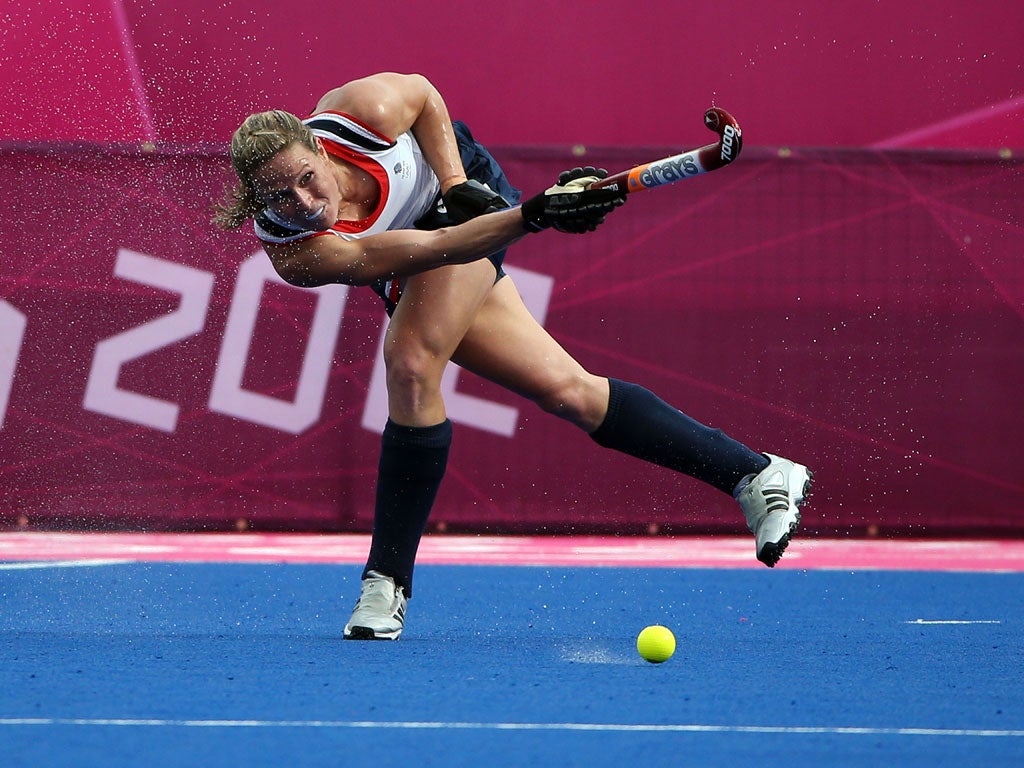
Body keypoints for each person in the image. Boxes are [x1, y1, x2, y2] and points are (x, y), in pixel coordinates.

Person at [215, 72, 812, 641]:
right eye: (278, 195)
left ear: (318, 148)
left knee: (412, 361)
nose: (302, 200)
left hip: (470, 189)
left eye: (306, 178)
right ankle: (755, 473)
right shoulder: (299, 253)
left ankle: (385, 582)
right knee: (569, 392)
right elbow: (437, 246)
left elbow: (423, 95)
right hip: (427, 245)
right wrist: (533, 216)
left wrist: (453, 186)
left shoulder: (361, 112)